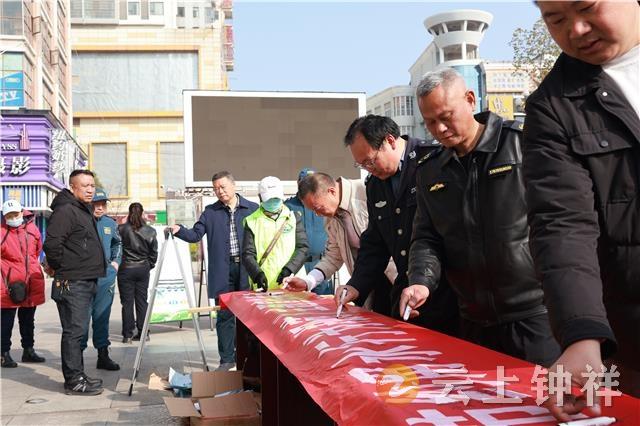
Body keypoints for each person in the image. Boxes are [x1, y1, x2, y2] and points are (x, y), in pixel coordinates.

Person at [523, 0, 640, 413]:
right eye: (555, 19)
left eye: (587, 7)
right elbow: (562, 223)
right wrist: (581, 335)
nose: (575, 30)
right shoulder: (553, 107)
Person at [400, 68, 560, 367]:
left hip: (536, 313)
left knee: (547, 394)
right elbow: (426, 237)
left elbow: (561, 220)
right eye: (430, 122)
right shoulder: (430, 170)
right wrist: (421, 280)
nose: (439, 129)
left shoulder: (522, 145)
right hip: (473, 320)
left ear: (470, 99)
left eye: (446, 116)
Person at [335, 115, 458, 335]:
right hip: (406, 295)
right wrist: (355, 285)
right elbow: (375, 243)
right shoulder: (375, 185)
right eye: (361, 165)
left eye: (370, 161)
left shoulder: (434, 161)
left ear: (390, 141)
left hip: (449, 294)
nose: (368, 169)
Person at [169, 171, 258, 371]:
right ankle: (227, 360)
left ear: (234, 185)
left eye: (223, 187)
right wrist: (179, 230)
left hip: (247, 270)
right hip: (222, 270)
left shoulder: (252, 209)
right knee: (224, 316)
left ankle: (249, 359)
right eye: (216, 188)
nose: (220, 191)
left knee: (248, 316)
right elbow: (195, 234)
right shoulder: (210, 212)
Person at [283, 172, 396, 314]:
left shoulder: (366, 192)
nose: (318, 214)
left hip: (396, 278)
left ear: (331, 191)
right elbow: (333, 256)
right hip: (366, 285)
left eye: (318, 208)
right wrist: (308, 281)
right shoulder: (330, 218)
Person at [44, 169, 106, 395]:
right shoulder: (66, 210)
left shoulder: (81, 209)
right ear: (72, 187)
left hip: (84, 279)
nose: (90, 190)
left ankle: (78, 374)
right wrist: (61, 268)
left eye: (92, 185)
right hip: (73, 282)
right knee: (74, 332)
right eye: (85, 186)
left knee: (78, 331)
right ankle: (73, 381)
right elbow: (52, 244)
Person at [242, 176, 308, 292]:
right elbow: (248, 253)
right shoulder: (251, 221)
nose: (273, 201)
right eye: (269, 199)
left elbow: (302, 247)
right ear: (260, 197)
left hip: (293, 283)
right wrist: (257, 274)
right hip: (264, 286)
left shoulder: (293, 217)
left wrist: (289, 269)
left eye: (276, 198)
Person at [1, 200, 46, 368]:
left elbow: (37, 250)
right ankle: (3, 353)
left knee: (28, 319)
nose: (13, 218)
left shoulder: (33, 230)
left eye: (16, 214)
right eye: (9, 216)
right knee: (6, 321)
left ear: (22, 212)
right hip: (9, 282)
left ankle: (28, 350)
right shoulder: (1, 232)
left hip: (31, 281)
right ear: (4, 217)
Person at [80, 189, 121, 371]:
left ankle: (103, 355)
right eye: (96, 204)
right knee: (81, 318)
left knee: (102, 316)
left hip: (106, 277)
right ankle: (77, 359)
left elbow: (117, 243)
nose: (99, 208)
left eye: (103, 204)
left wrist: (115, 263)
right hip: (84, 277)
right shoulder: (80, 221)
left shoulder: (110, 223)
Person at [285, 168, 333, 295]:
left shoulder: (323, 204)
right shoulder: (288, 206)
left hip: (321, 263)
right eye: (305, 183)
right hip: (299, 266)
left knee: (324, 301)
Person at [118, 203, 157, 343]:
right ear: (142, 213)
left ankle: (127, 334)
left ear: (129, 213)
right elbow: (154, 253)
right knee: (142, 301)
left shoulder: (121, 229)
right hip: (142, 268)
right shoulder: (150, 231)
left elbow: (117, 249)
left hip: (126, 268)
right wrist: (148, 265)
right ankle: (144, 332)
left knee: (127, 303)